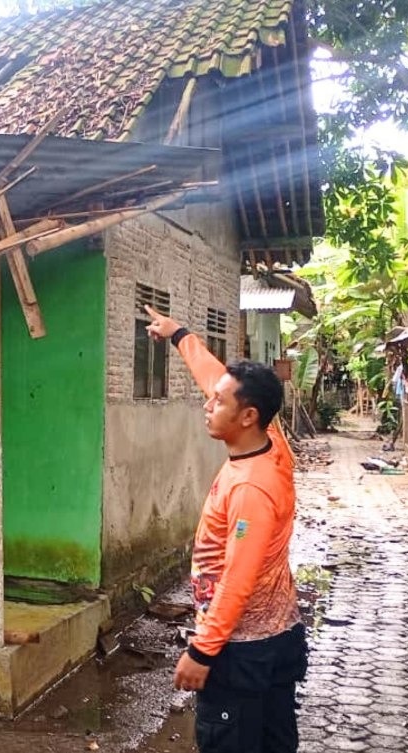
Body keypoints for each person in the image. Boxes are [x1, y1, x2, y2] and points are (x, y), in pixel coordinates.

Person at [144, 305, 307, 753]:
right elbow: (216, 379)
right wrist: (179, 335)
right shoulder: (273, 445)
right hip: (276, 637)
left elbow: (238, 578)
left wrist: (202, 651)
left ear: (248, 416)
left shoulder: (250, 487)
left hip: (242, 651)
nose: (207, 404)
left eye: (218, 403)